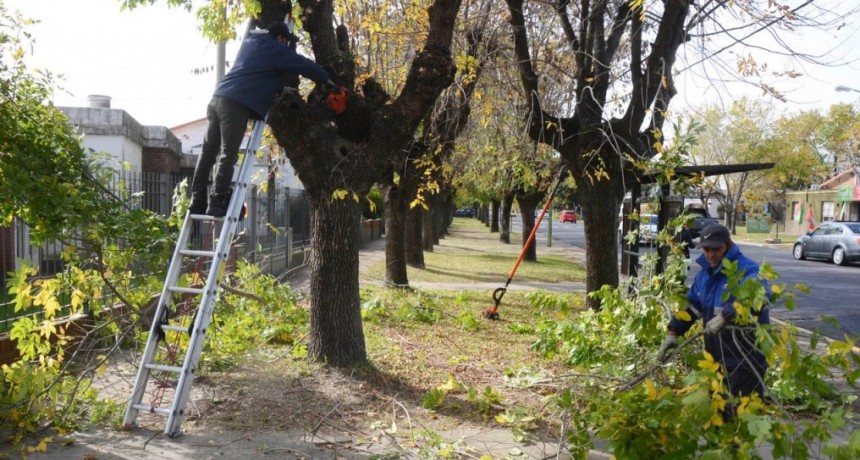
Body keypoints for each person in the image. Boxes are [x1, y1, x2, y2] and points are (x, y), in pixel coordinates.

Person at [190, 21, 334, 216]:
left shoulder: (250, 43)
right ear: (281, 38)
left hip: (217, 98)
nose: (287, 46)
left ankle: (197, 201)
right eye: (286, 42)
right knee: (228, 155)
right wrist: (325, 78)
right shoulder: (274, 48)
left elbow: (259, 72)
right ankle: (216, 201)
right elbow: (302, 64)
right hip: (235, 104)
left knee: (207, 154)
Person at [657, 223, 770, 409]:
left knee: (740, 419)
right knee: (718, 417)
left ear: (728, 244)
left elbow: (758, 297)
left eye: (715, 249)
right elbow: (692, 307)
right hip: (715, 363)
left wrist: (727, 315)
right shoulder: (705, 276)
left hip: (745, 363)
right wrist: (673, 332)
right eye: (707, 249)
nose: (710, 255)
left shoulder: (749, 270)